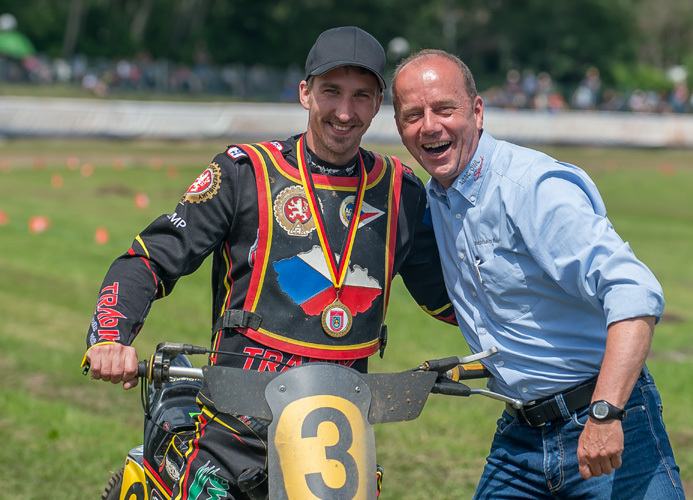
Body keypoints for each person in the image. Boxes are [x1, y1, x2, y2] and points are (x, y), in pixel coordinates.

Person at [83, 28, 455, 500]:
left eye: (361, 96)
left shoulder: (402, 191)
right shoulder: (244, 174)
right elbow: (150, 260)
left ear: (378, 101)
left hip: (338, 451)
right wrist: (111, 338)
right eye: (331, 93)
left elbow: (448, 300)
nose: (345, 112)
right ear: (305, 92)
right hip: (230, 438)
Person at [391, 49, 685, 499]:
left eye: (444, 109)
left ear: (477, 111)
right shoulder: (436, 199)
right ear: (399, 126)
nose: (429, 125)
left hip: (601, 418)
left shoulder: (530, 188)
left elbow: (634, 293)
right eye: (413, 114)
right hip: (520, 436)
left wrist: (605, 415)